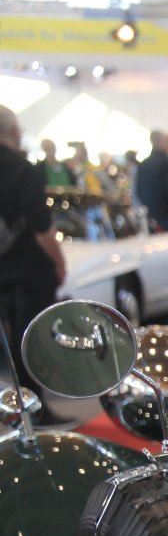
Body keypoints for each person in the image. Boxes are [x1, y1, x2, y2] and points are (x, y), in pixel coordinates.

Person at [0, 106, 68, 400]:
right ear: (15, 131)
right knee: (31, 339)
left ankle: (14, 404)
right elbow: (42, 228)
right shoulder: (23, 170)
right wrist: (59, 263)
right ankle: (32, 405)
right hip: (29, 270)